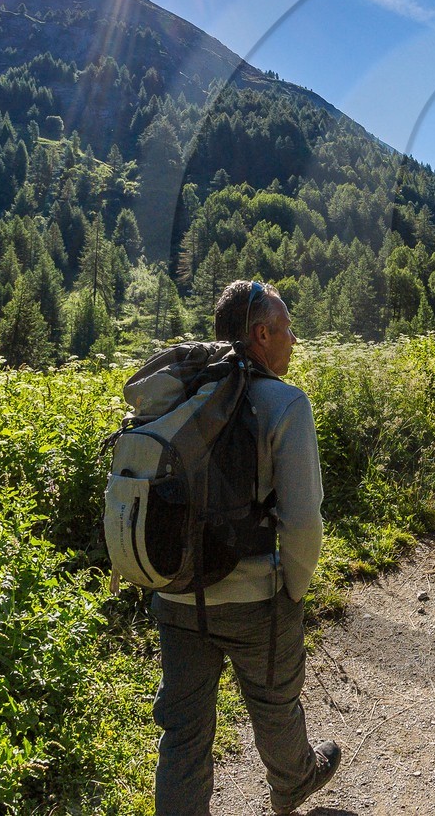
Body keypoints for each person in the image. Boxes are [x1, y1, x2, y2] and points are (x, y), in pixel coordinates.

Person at [149, 279, 340, 814]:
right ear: (261, 334)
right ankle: (294, 783)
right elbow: (303, 521)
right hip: (255, 596)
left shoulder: (177, 396)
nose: (294, 339)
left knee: (183, 734)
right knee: (275, 704)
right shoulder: (284, 404)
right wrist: (293, 590)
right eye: (285, 328)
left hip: (176, 593)